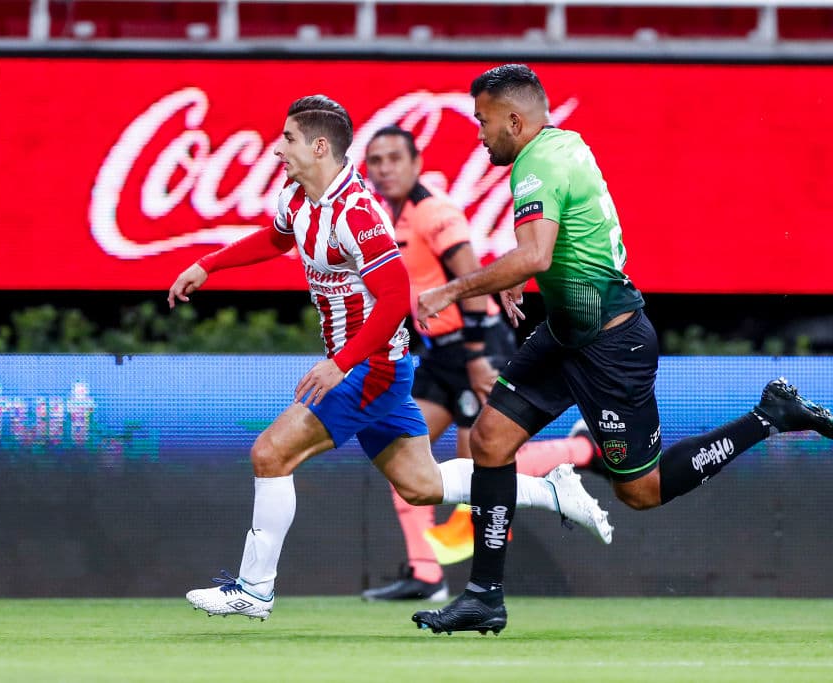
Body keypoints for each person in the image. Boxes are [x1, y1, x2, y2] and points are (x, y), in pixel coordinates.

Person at [410, 64, 833, 635]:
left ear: (515, 121)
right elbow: (552, 247)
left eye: (484, 122)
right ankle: (484, 597)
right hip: (568, 334)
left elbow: (539, 255)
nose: (479, 133)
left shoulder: (537, 165)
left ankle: (769, 415)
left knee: (641, 492)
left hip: (612, 345)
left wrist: (453, 287)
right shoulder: (560, 146)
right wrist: (517, 269)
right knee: (491, 439)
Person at [169, 94, 613, 621]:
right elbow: (274, 239)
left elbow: (395, 299)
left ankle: (253, 590)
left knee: (270, 454)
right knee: (421, 486)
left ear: (317, 146)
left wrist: (342, 363)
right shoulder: (299, 200)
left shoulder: (358, 213)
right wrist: (208, 265)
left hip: (369, 368)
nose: (276, 150)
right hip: (373, 366)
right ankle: (551, 491)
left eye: (287, 139)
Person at [359, 126, 608, 602]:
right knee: (402, 453)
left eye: (394, 158)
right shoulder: (389, 216)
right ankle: (426, 573)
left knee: (485, 458)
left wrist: (476, 357)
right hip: (437, 355)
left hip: (475, 346)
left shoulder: (434, 212)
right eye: (376, 160)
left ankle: (579, 452)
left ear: (416, 164)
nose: (384, 168)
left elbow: (471, 281)